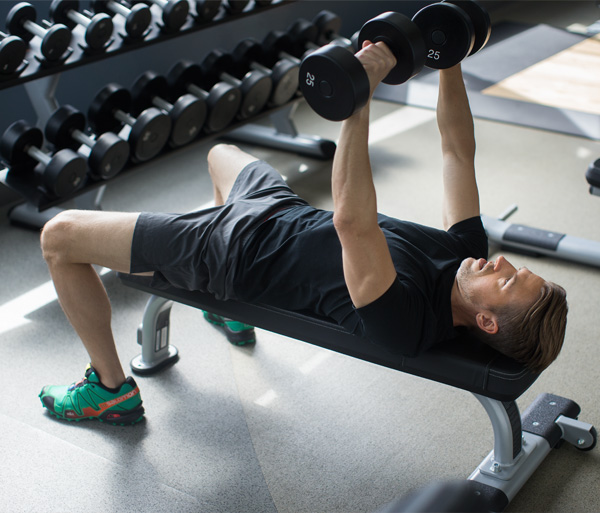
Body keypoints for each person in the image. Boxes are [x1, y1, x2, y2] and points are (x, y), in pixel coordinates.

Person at [38, 41, 568, 425]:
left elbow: (352, 222)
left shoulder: (406, 320)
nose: (500, 263)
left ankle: (109, 388)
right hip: (278, 209)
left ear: (485, 321)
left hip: (232, 252)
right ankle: (224, 312)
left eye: (505, 281)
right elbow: (456, 151)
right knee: (220, 154)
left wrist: (360, 99)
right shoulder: (466, 256)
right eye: (514, 268)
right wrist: (449, 59)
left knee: (59, 236)